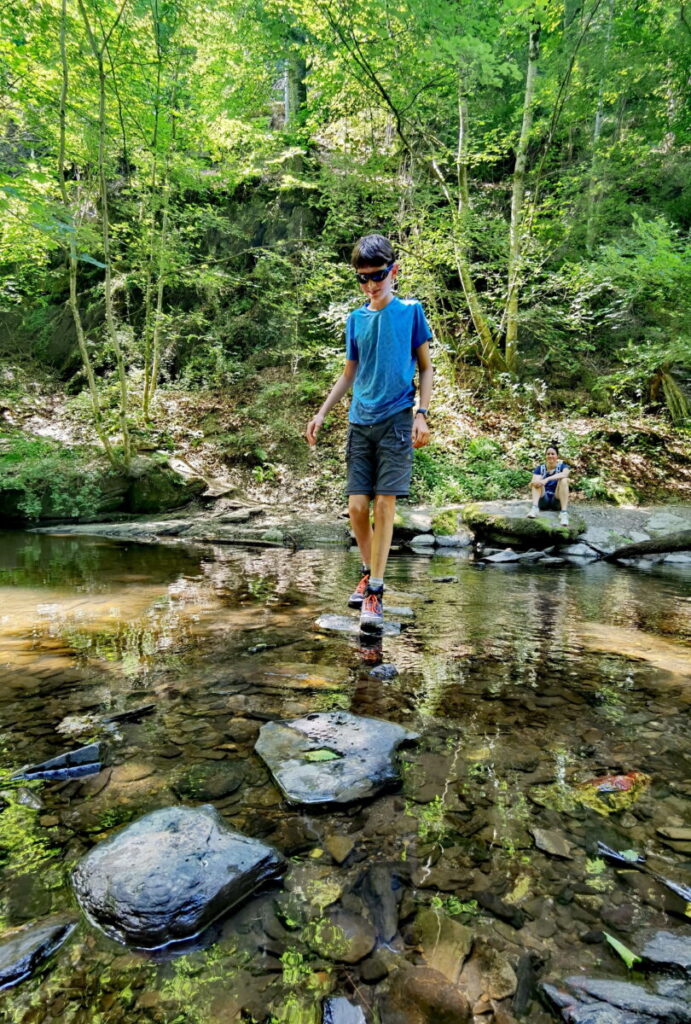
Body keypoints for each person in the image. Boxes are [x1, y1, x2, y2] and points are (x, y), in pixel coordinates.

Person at [305, 234, 434, 632]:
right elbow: (349, 372)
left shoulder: (411, 312)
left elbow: (426, 367)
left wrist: (422, 413)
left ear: (393, 271)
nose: (370, 285)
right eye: (362, 278)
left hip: (397, 419)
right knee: (357, 509)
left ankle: (375, 590)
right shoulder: (355, 319)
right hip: (359, 421)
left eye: (377, 275)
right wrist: (322, 413)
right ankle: (367, 571)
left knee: (384, 506)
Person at [528, 445, 570, 526]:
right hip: (543, 500)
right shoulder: (540, 468)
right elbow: (532, 484)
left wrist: (547, 479)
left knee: (564, 480)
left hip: (557, 500)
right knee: (537, 480)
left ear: (557, 456)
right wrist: (536, 482)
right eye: (548, 454)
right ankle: (535, 508)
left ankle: (564, 513)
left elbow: (565, 474)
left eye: (553, 454)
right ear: (545, 456)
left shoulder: (563, 467)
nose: (550, 456)